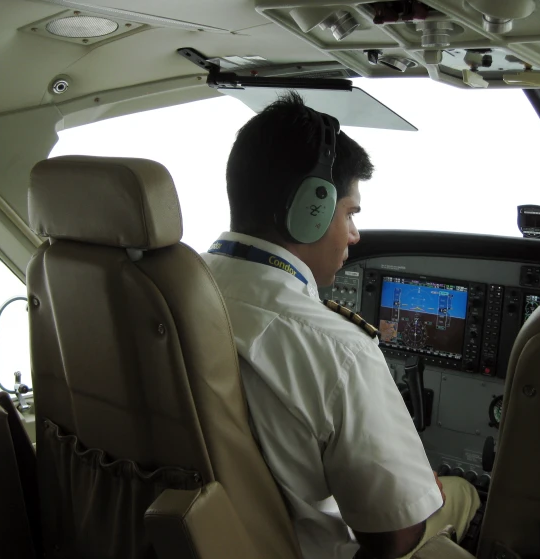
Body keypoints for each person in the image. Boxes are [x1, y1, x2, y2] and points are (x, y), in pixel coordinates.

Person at [202, 91, 480, 559]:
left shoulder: (171, 294)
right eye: (349, 213)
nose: (354, 235)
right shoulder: (336, 347)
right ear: (310, 210)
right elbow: (393, 536)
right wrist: (418, 493)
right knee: (462, 493)